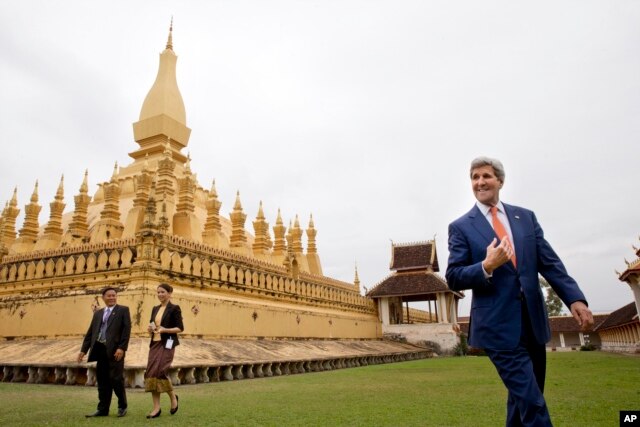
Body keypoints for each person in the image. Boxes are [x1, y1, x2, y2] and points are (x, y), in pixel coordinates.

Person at [446, 156, 594, 427]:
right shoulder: (461, 227)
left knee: (523, 400)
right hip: (497, 326)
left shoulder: (524, 218)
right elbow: (453, 277)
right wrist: (486, 266)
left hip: (533, 321)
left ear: (500, 180)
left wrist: (574, 298)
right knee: (532, 403)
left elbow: (549, 262)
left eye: (486, 176)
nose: (480, 182)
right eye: (475, 177)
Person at [78, 287, 131, 418]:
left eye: (114, 295)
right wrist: (83, 350)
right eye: (109, 296)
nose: (112, 297)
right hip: (100, 349)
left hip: (115, 351)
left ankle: (122, 406)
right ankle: (102, 409)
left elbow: (126, 330)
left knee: (116, 379)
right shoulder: (98, 313)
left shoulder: (123, 310)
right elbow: (91, 333)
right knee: (102, 381)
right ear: (103, 298)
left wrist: (122, 348)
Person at [144, 283, 184, 418]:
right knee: (151, 373)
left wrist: (164, 329)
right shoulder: (155, 309)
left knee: (161, 371)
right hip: (154, 343)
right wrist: (150, 329)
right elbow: (152, 325)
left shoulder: (174, 308)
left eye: (163, 292)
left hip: (168, 343)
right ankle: (156, 408)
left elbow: (180, 328)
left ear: (169, 293)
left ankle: (173, 398)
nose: (160, 295)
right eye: (158, 292)